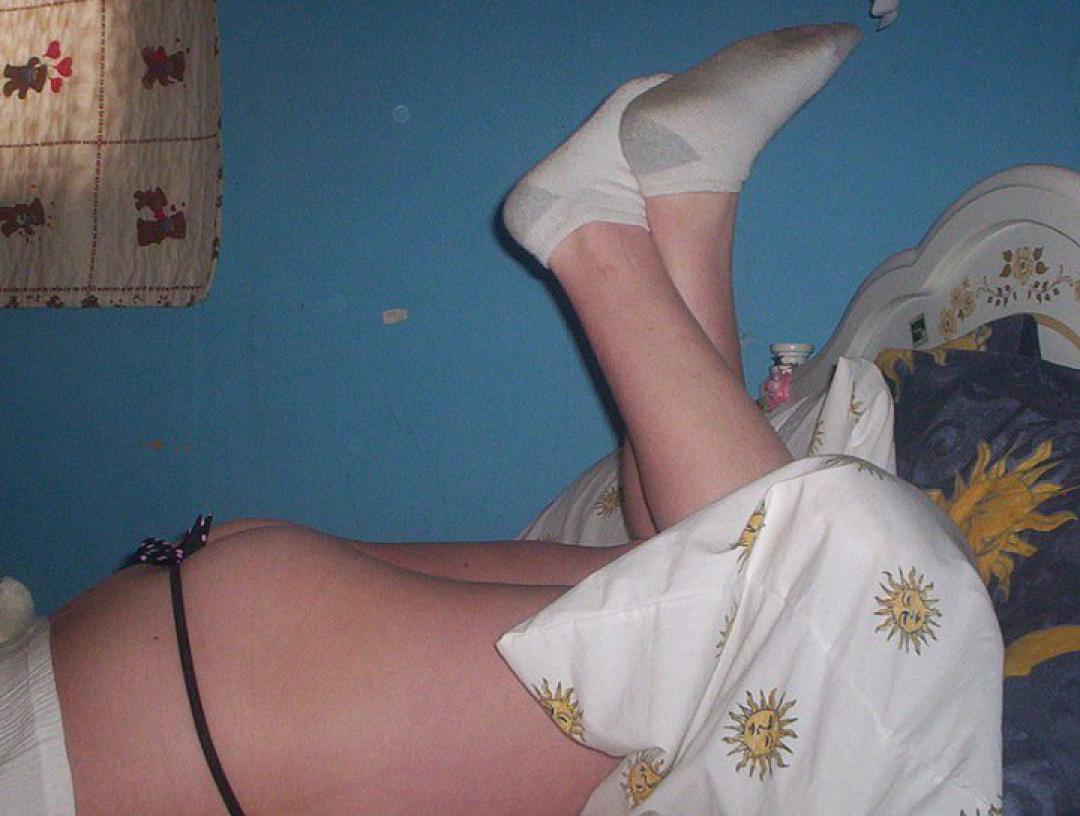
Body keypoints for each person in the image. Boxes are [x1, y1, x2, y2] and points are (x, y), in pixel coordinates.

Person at [1, 24, 1001, 816]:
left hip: (201, 719)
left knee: (848, 648)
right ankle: (685, 200)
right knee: (682, 599)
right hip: (155, 659)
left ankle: (590, 235)